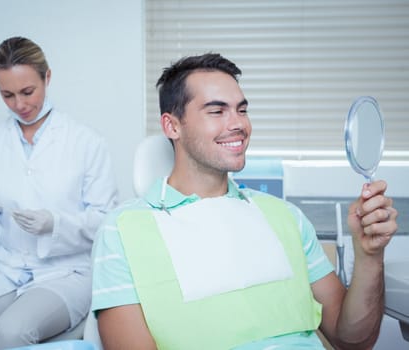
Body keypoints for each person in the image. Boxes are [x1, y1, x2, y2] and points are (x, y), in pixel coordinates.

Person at [90, 53, 398, 349]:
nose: (238, 124)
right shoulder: (123, 231)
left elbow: (354, 340)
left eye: (242, 109)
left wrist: (369, 255)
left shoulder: (285, 217)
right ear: (172, 126)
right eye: (217, 111)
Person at [0, 36, 118, 350]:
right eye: (7, 95)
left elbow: (105, 221)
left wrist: (56, 223)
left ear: (47, 78)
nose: (19, 105)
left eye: (27, 92)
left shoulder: (86, 142)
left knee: (12, 332)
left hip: (66, 270)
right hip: (3, 267)